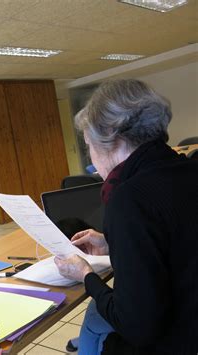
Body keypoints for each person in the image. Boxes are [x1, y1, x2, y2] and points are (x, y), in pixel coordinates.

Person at [54, 79, 198, 354]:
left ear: (111, 137)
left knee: (97, 311)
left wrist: (85, 275)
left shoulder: (128, 198)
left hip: (175, 340)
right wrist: (113, 242)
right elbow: (178, 240)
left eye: (88, 146)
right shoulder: (188, 169)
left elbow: (137, 326)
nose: (92, 161)